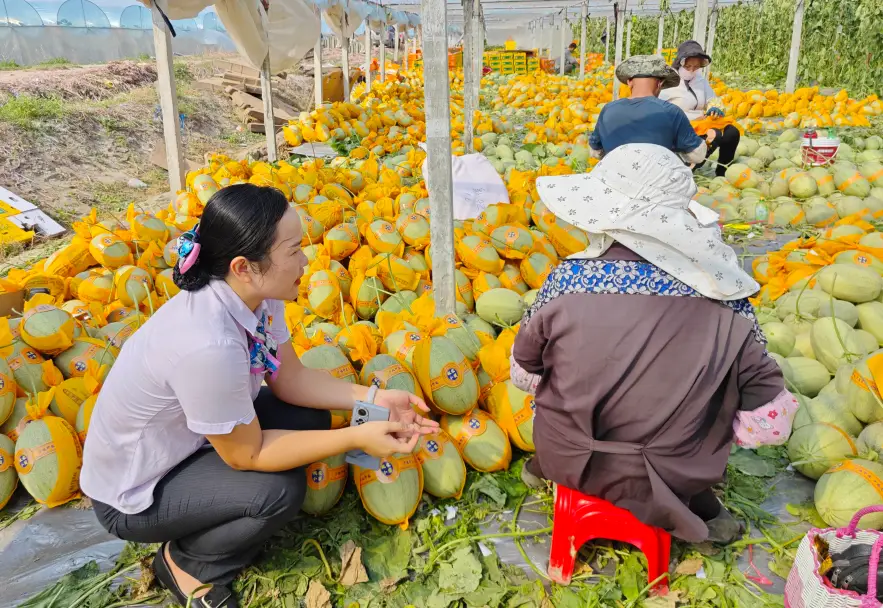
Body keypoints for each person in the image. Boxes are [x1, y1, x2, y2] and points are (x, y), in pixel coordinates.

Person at [80, 184, 437, 608]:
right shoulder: (207, 344)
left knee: (310, 418)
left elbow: (292, 381)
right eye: (294, 250)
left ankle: (206, 527)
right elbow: (245, 457)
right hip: (137, 494)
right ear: (244, 266)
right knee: (278, 491)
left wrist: (373, 398)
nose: (306, 261)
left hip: (190, 444)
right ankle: (188, 564)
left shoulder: (257, 296)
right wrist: (358, 437)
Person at [509, 144, 797, 544]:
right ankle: (700, 509)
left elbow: (523, 373)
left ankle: (543, 466)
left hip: (568, 455)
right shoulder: (726, 298)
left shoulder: (566, 282)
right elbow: (772, 425)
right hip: (676, 468)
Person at [589, 55, 708, 165]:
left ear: (629, 82)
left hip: (613, 182)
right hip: (655, 184)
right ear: (660, 84)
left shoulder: (608, 110)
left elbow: (595, 151)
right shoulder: (671, 112)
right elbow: (697, 155)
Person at [660, 40, 740, 177]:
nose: (692, 70)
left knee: (732, 132)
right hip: (680, 127)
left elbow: (712, 99)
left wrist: (714, 107)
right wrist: (691, 117)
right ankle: (686, 172)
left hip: (702, 123)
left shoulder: (700, 80)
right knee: (714, 134)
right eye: (688, 66)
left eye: (696, 67)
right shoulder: (668, 81)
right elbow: (661, 109)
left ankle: (722, 173)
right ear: (680, 62)